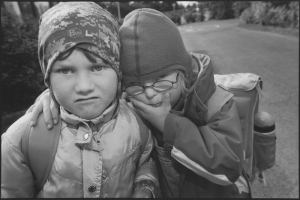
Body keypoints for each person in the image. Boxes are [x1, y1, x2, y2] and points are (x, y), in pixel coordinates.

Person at [27, 8, 251, 198]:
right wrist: (54, 96)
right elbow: (93, 92)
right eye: (138, 85)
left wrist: (168, 124)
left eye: (162, 81)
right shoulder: (128, 100)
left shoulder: (216, 102)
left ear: (182, 71)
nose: (151, 95)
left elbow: (229, 167)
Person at [1, 3, 159, 198]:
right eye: (65, 70)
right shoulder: (20, 141)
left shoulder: (139, 122)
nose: (84, 87)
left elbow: (145, 162)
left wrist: (145, 187)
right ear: (48, 78)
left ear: (118, 72)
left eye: (97, 67)